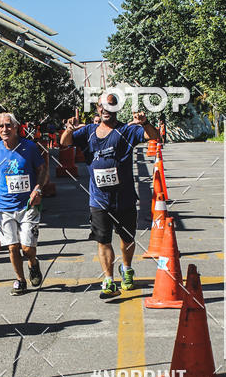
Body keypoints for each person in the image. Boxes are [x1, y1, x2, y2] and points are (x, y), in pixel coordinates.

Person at [60, 93, 160, 299]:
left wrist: (145, 122)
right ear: (97, 108)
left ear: (116, 108)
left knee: (127, 238)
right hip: (98, 199)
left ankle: (127, 267)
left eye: (111, 105)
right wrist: (69, 129)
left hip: (123, 197)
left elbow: (154, 136)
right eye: (102, 106)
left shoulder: (127, 130)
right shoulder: (88, 131)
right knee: (103, 240)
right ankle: (108, 279)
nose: (106, 109)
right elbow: (64, 143)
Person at [0, 112, 47, 295]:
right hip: (4, 206)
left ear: (16, 127)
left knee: (27, 248)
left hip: (28, 206)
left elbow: (42, 169)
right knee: (12, 246)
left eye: (8, 125)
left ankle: (33, 263)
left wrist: (38, 189)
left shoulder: (29, 147)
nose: (5, 129)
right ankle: (20, 280)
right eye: (1, 126)